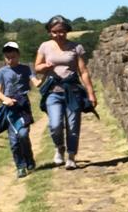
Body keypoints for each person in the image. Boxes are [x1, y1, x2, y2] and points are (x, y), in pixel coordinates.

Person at [34, 14, 98, 170]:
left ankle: (71, 157)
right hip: (52, 92)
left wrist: (91, 93)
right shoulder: (45, 46)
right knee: (55, 125)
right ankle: (59, 147)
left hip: (72, 91)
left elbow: (83, 71)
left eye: (61, 31)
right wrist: (45, 67)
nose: (58, 34)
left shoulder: (76, 47)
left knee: (73, 125)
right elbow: (37, 67)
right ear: (50, 32)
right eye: (54, 31)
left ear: (67, 31)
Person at [0, 41, 37, 178]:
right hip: (10, 108)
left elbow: (36, 81)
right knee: (14, 140)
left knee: (23, 134)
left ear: (18, 55)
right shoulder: (2, 72)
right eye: (7, 57)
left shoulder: (26, 69)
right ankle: (20, 166)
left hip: (23, 105)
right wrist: (5, 99)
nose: (10, 60)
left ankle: (29, 159)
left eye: (13, 57)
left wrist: (47, 73)